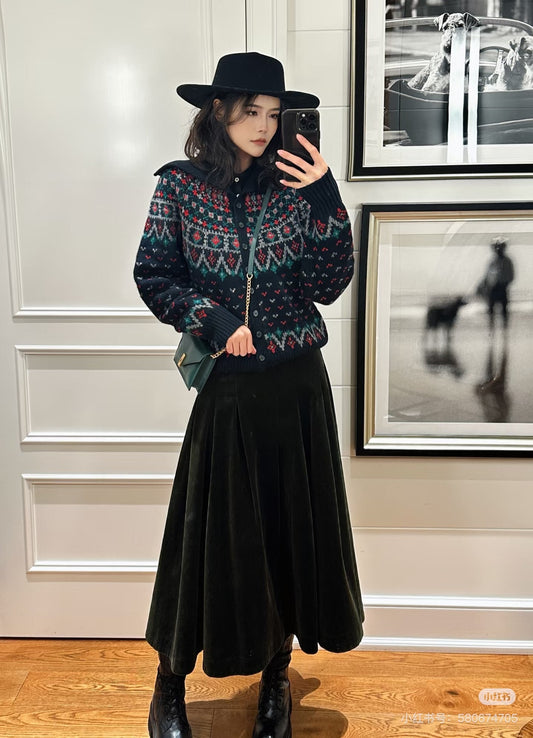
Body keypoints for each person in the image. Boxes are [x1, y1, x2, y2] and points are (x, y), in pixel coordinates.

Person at [134, 51, 364, 738]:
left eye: (274, 113)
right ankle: (169, 682)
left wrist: (325, 196)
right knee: (204, 540)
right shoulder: (178, 187)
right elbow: (154, 275)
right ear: (217, 111)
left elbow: (328, 284)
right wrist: (211, 320)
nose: (263, 126)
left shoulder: (297, 187)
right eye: (250, 111)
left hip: (296, 389)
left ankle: (275, 680)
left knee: (288, 537)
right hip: (227, 390)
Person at [478, 236, 514, 331]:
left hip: (502, 288)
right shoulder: (492, 261)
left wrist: (504, 284)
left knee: (504, 313)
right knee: (491, 312)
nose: (498, 249)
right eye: (496, 247)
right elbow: (487, 276)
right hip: (492, 289)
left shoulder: (507, 261)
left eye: (500, 247)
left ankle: (504, 333)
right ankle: (492, 332)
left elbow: (511, 276)